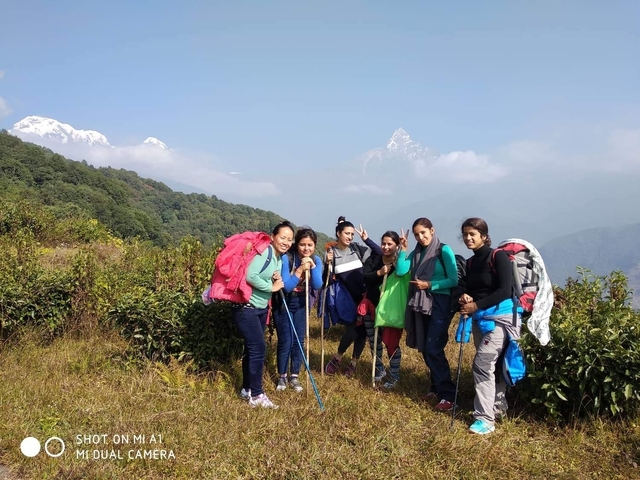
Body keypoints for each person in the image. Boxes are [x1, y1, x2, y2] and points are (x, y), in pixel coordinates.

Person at [458, 217, 522, 435]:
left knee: (482, 365)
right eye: (465, 234)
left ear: (484, 236)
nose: (468, 238)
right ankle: (497, 408)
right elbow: (471, 287)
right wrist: (466, 297)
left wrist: (476, 305)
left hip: (500, 320)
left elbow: (505, 289)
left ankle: (485, 419)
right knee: (493, 365)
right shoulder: (470, 262)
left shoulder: (498, 256)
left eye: (472, 234)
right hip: (481, 320)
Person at [396, 218, 459, 411]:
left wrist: (430, 285)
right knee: (425, 345)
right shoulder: (417, 252)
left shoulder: (443, 250)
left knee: (433, 348)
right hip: (420, 303)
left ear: (432, 230)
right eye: (417, 234)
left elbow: (453, 279)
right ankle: (436, 387)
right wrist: (404, 250)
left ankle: (448, 395)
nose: (421, 237)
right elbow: (401, 271)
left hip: (439, 303)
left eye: (423, 232)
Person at [234, 221, 293, 409]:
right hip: (247, 308)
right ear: (273, 236)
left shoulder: (277, 257)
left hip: (259, 308)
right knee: (258, 350)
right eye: (283, 237)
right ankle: (258, 395)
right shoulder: (266, 251)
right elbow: (251, 276)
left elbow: (262, 274)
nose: (286, 242)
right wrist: (272, 287)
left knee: (251, 351)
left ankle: (246, 389)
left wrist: (274, 277)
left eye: (290, 239)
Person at [324, 216, 382, 377]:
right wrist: (326, 264)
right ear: (338, 233)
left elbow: (379, 254)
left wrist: (367, 239)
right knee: (352, 331)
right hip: (349, 301)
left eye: (352, 234)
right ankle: (337, 358)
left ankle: (353, 364)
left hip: (366, 298)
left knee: (362, 333)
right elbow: (326, 281)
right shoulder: (332, 254)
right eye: (347, 233)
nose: (350, 237)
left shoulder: (357, 249)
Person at [274, 227, 323, 392]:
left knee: (299, 341)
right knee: (285, 341)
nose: (306, 248)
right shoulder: (287, 258)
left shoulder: (316, 259)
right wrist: (301, 269)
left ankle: (294, 375)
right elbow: (286, 287)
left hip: (302, 303)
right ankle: (282, 376)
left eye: (310, 245)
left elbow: (317, 285)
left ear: (315, 245)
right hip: (284, 302)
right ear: (297, 244)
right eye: (303, 245)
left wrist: (313, 266)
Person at [362, 230, 406, 388]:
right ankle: (379, 370)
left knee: (391, 343)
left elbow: (403, 273)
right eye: (384, 243)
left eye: (390, 244)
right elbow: (365, 277)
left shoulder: (400, 264)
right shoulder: (374, 260)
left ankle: (394, 375)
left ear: (397, 245)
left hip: (390, 309)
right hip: (371, 306)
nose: (386, 247)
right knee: (374, 341)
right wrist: (379, 273)